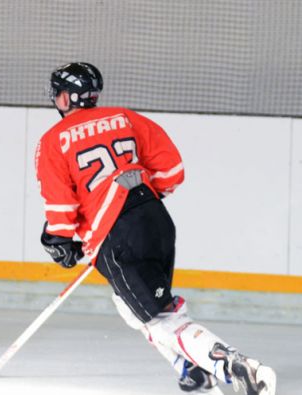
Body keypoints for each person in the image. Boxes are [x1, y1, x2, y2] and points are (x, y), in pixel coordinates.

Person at [35, 62, 276, 395]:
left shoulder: (52, 141)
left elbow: (61, 208)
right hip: (155, 220)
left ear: (64, 98)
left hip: (117, 238)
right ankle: (191, 369)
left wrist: (61, 241)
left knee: (158, 320)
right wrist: (137, 197)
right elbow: (172, 170)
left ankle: (232, 366)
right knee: (136, 307)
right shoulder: (126, 118)